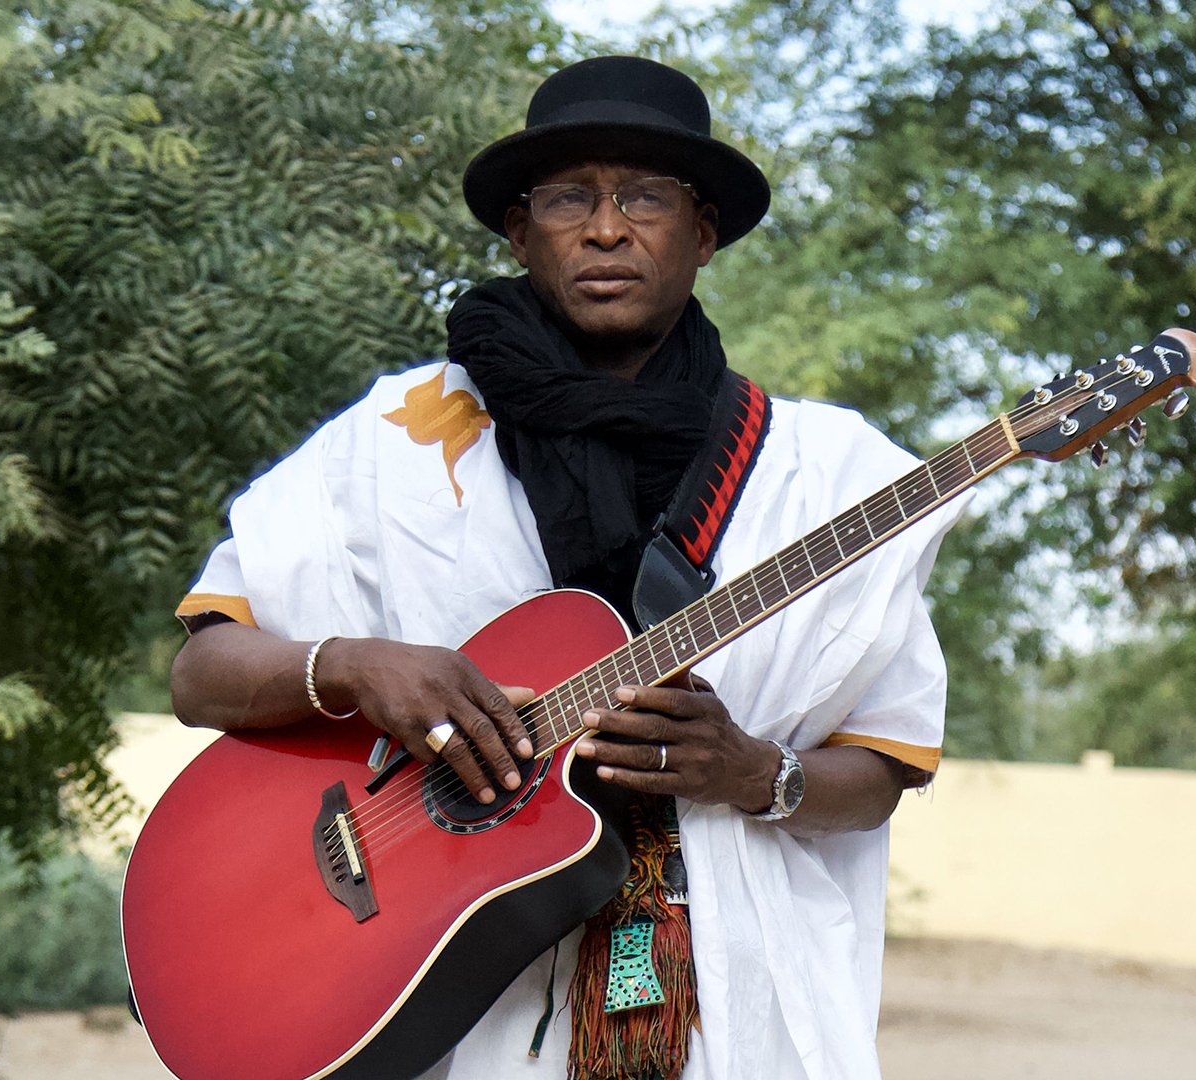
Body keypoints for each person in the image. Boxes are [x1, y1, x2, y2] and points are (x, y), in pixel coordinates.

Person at [170, 56, 968, 1080]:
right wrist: (351, 664)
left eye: (645, 196)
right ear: (518, 232)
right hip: (453, 1007)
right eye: (566, 198)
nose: (605, 228)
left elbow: (883, 767)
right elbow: (201, 673)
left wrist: (757, 773)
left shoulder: (835, 475)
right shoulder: (395, 441)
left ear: (703, 231)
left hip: (745, 1005)